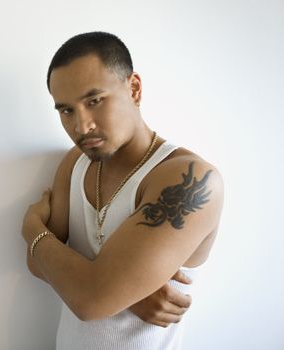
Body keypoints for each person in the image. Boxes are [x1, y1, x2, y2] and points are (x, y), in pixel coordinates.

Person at [22, 31, 224, 350]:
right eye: (66, 110)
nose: (81, 125)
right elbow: (38, 263)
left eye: (94, 101)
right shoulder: (76, 162)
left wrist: (31, 227)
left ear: (133, 88)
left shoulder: (188, 178)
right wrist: (128, 295)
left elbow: (89, 300)